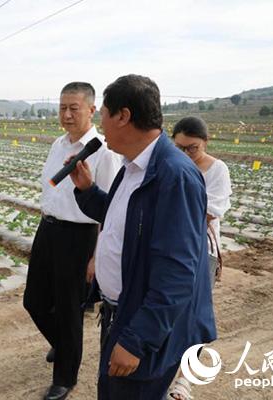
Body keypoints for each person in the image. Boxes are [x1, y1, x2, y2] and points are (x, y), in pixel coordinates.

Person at [69, 75, 216, 400]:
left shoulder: (174, 175)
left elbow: (178, 272)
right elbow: (124, 219)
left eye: (103, 114)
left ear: (123, 116)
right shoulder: (133, 167)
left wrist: (138, 340)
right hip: (122, 312)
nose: (100, 125)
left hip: (145, 324)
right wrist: (88, 191)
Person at [23, 82, 121, 400]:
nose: (66, 114)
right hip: (48, 229)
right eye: (62, 108)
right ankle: (64, 344)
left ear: (91, 110)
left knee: (68, 311)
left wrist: (96, 255)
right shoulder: (58, 144)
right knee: (34, 300)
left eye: (73, 108)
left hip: (79, 237)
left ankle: (65, 378)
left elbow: (110, 210)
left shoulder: (103, 152)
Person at [167, 116, 232, 399]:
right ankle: (163, 373)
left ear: (205, 142)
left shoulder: (217, 170)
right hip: (169, 250)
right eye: (179, 148)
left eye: (192, 148)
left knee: (195, 317)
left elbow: (208, 211)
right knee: (167, 313)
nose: (185, 154)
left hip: (200, 251)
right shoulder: (169, 165)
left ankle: (185, 380)